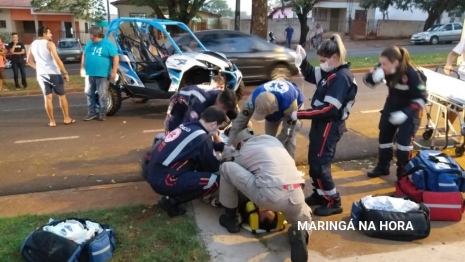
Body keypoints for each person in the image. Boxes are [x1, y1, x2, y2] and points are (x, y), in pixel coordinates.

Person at [218, 129, 312, 262]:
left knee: (226, 168)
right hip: (296, 194)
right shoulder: (275, 143)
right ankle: (302, 231)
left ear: (242, 142)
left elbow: (236, 174)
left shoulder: (245, 150)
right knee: (305, 218)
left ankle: (231, 219)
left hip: (269, 195)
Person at [297, 34, 357, 216]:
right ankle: (319, 193)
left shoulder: (341, 77)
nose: (321, 63)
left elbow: (329, 109)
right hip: (321, 124)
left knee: (320, 164)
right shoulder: (330, 72)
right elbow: (310, 74)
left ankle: (333, 201)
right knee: (313, 161)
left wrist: (298, 114)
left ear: (335, 57)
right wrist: (302, 61)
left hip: (330, 125)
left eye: (323, 60)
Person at [144, 106, 232, 217]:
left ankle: (175, 192)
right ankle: (171, 201)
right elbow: (213, 167)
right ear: (214, 124)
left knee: (196, 164)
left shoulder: (188, 126)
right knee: (214, 181)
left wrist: (221, 147)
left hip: (154, 172)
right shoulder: (202, 138)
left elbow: (199, 145)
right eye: (218, 127)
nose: (217, 131)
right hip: (164, 181)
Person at [364, 46, 427, 179]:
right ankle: (383, 166)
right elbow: (367, 80)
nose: (382, 66)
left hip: (410, 110)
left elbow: (422, 98)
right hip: (392, 104)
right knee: (384, 136)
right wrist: (373, 76)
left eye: (385, 64)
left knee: (403, 143)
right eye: (381, 63)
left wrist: (405, 113)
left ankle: (403, 173)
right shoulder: (385, 67)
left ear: (396, 62)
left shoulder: (412, 74)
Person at [227, 76, 304, 159]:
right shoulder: (252, 100)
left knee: (289, 138)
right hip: (274, 105)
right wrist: (228, 147)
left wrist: (275, 145)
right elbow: (239, 123)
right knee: (269, 138)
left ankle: (290, 164)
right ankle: (270, 159)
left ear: (272, 110)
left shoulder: (290, 104)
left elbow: (287, 132)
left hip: (293, 107)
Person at [27, 26, 75, 127]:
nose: (51, 34)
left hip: (41, 74)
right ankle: (66, 118)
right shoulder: (49, 44)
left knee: (47, 98)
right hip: (53, 73)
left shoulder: (33, 44)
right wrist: (65, 72)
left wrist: (39, 68)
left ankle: (52, 121)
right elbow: (57, 60)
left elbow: (29, 61)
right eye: (49, 33)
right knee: (62, 96)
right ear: (44, 34)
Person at [81, 26, 119, 121]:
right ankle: (91, 112)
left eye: (90, 35)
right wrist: (82, 67)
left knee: (102, 94)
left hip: (102, 74)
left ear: (95, 35)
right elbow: (84, 54)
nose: (89, 36)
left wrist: (114, 71)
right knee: (89, 93)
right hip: (90, 73)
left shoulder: (107, 44)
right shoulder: (89, 43)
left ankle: (102, 113)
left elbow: (115, 57)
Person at [164, 85, 237, 134]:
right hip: (181, 103)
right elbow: (187, 126)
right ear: (217, 100)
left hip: (199, 100)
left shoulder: (225, 99)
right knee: (177, 132)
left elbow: (240, 120)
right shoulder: (201, 101)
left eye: (227, 109)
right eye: (223, 108)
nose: (225, 112)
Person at [442, 39, 465, 132]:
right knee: (454, 105)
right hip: (462, 78)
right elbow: (452, 54)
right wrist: (448, 64)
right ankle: (447, 127)